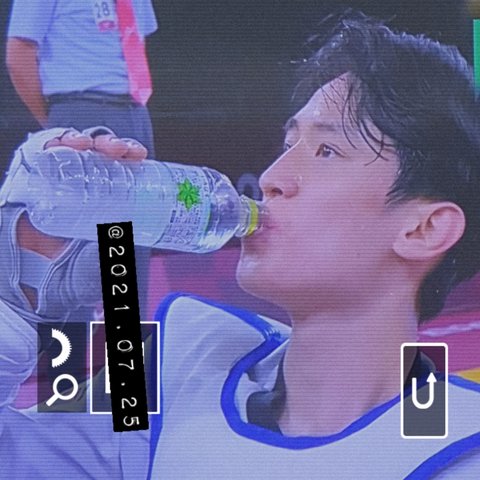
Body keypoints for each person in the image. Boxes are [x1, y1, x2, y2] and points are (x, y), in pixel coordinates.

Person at [1, 10, 480, 479]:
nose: (271, 178)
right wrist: (15, 303)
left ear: (424, 230)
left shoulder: (456, 449)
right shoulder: (177, 359)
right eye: (288, 144)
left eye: (327, 150)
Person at [6, 0, 159, 324]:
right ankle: (68, 357)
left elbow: (136, 43)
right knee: (73, 248)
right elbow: (19, 52)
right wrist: (55, 125)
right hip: (78, 107)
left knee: (132, 243)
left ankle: (127, 355)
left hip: (133, 112)